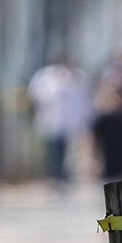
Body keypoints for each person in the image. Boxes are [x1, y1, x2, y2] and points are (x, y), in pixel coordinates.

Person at [26, 58, 91, 186]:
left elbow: (81, 99)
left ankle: (62, 174)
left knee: (66, 149)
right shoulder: (45, 76)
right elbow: (37, 95)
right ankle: (53, 174)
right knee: (52, 149)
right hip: (50, 121)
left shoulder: (76, 76)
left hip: (67, 122)